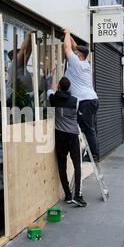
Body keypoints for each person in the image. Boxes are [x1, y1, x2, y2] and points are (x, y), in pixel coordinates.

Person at [48, 77, 86, 207]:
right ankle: (77, 195)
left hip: (60, 136)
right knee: (77, 164)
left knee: (62, 165)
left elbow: (49, 89)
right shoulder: (75, 101)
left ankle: (68, 196)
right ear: (69, 87)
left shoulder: (53, 98)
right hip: (73, 135)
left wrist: (50, 78)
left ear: (59, 86)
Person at [63, 29, 100, 162]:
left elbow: (67, 47)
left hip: (85, 102)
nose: (74, 53)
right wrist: (70, 35)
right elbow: (73, 46)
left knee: (88, 129)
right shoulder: (84, 63)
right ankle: (93, 152)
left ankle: (94, 156)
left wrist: (67, 33)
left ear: (80, 56)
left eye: (76, 53)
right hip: (91, 100)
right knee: (89, 128)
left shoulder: (76, 62)